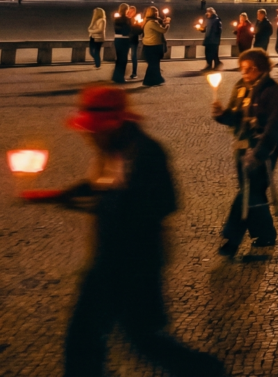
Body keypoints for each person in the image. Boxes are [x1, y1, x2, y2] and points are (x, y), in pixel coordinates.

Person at [24, 87, 223, 377]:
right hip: (111, 259)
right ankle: (206, 370)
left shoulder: (146, 153)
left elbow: (167, 202)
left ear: (113, 125)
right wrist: (64, 194)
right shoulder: (113, 149)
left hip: (135, 262)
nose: (89, 136)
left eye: (94, 131)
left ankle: (207, 370)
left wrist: (113, 205)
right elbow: (102, 184)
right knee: (98, 337)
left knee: (133, 339)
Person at [212, 49, 278, 256]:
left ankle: (232, 239)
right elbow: (234, 116)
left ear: (259, 68)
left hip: (263, 148)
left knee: (248, 192)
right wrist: (221, 115)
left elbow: (272, 125)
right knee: (253, 192)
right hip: (242, 145)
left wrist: (259, 153)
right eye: (241, 68)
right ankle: (265, 234)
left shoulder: (272, 90)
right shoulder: (241, 86)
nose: (243, 72)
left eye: (247, 69)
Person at [141, 7, 168, 87]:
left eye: (157, 11)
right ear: (152, 13)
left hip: (150, 45)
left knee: (154, 64)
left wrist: (163, 23)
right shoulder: (152, 23)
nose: (157, 13)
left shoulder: (148, 21)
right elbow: (163, 30)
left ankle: (156, 79)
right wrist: (167, 24)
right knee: (153, 64)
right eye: (155, 12)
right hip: (153, 45)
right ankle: (148, 81)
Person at [111, 3, 132, 83]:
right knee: (123, 59)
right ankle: (120, 77)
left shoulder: (116, 19)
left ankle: (116, 76)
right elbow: (129, 30)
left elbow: (116, 29)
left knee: (119, 58)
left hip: (117, 39)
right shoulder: (128, 19)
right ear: (127, 10)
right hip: (125, 40)